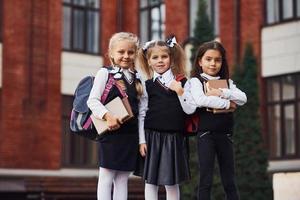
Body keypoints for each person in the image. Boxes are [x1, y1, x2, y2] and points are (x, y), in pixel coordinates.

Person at [183, 40, 247, 200]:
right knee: (206, 179)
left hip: (225, 135)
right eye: (208, 59)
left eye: (217, 60)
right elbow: (201, 100)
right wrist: (229, 105)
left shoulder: (226, 83)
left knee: (229, 180)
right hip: (206, 135)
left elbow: (243, 98)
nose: (213, 63)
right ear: (200, 61)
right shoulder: (196, 81)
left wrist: (222, 92)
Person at [87, 32, 143, 200]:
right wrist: (107, 116)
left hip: (130, 135)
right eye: (121, 52)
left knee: (122, 179)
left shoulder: (138, 77)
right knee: (106, 177)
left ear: (135, 54)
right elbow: (92, 100)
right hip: (111, 133)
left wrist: (141, 139)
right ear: (111, 53)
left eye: (130, 52)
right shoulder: (105, 73)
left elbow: (141, 111)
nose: (126, 56)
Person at [137, 37, 192, 200]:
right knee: (150, 182)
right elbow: (142, 114)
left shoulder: (182, 82)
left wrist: (180, 92)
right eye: (155, 57)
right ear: (148, 61)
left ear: (171, 58)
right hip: (151, 138)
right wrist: (141, 140)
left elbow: (190, 110)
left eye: (164, 57)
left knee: (171, 182)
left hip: (174, 138)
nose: (160, 61)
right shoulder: (146, 85)